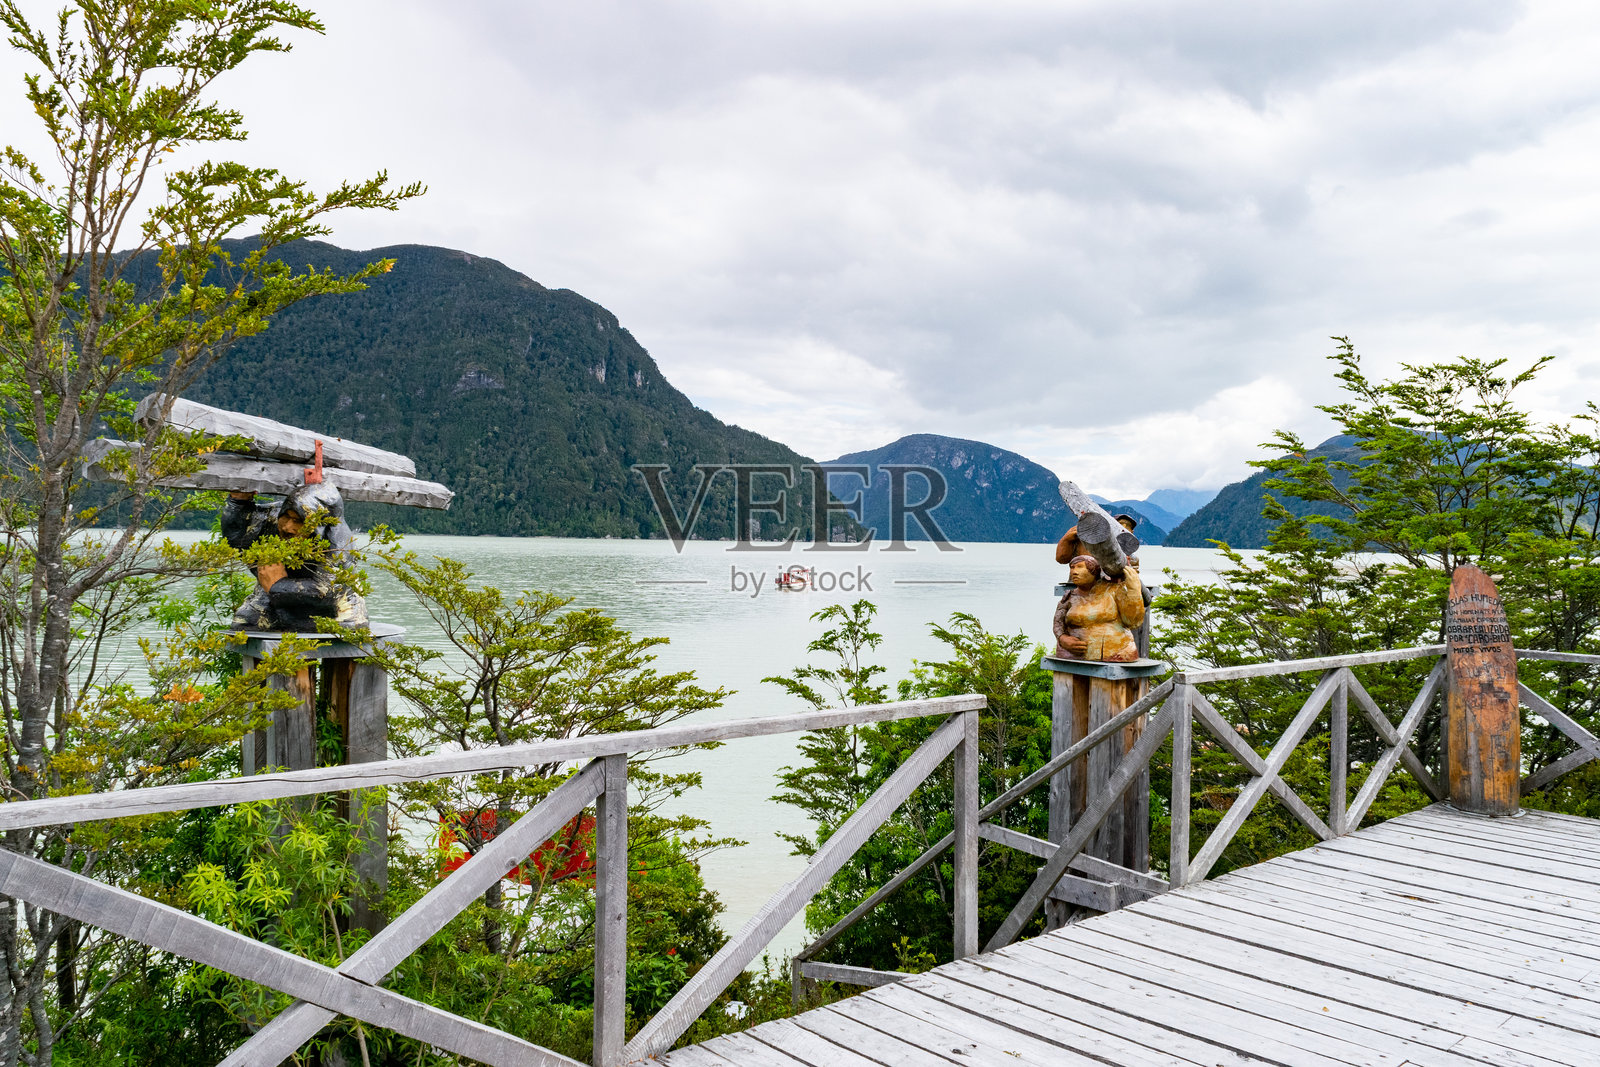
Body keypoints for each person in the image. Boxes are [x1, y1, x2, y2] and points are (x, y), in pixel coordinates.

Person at [221, 482, 368, 631]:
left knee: (345, 628)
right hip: (274, 598)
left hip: (335, 607)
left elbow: (327, 592)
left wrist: (277, 586)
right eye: (286, 517)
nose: (287, 527)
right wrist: (237, 502)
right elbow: (236, 538)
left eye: (298, 521)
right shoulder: (273, 518)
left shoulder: (337, 539)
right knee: (246, 622)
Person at [1053, 554, 1144, 662]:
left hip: (1117, 652)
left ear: (1094, 571)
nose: (1074, 572)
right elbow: (1058, 622)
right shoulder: (1069, 597)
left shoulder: (1113, 590)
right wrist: (1063, 639)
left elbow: (1133, 621)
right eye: (1072, 568)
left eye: (1080, 567)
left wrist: (1134, 590)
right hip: (1073, 655)